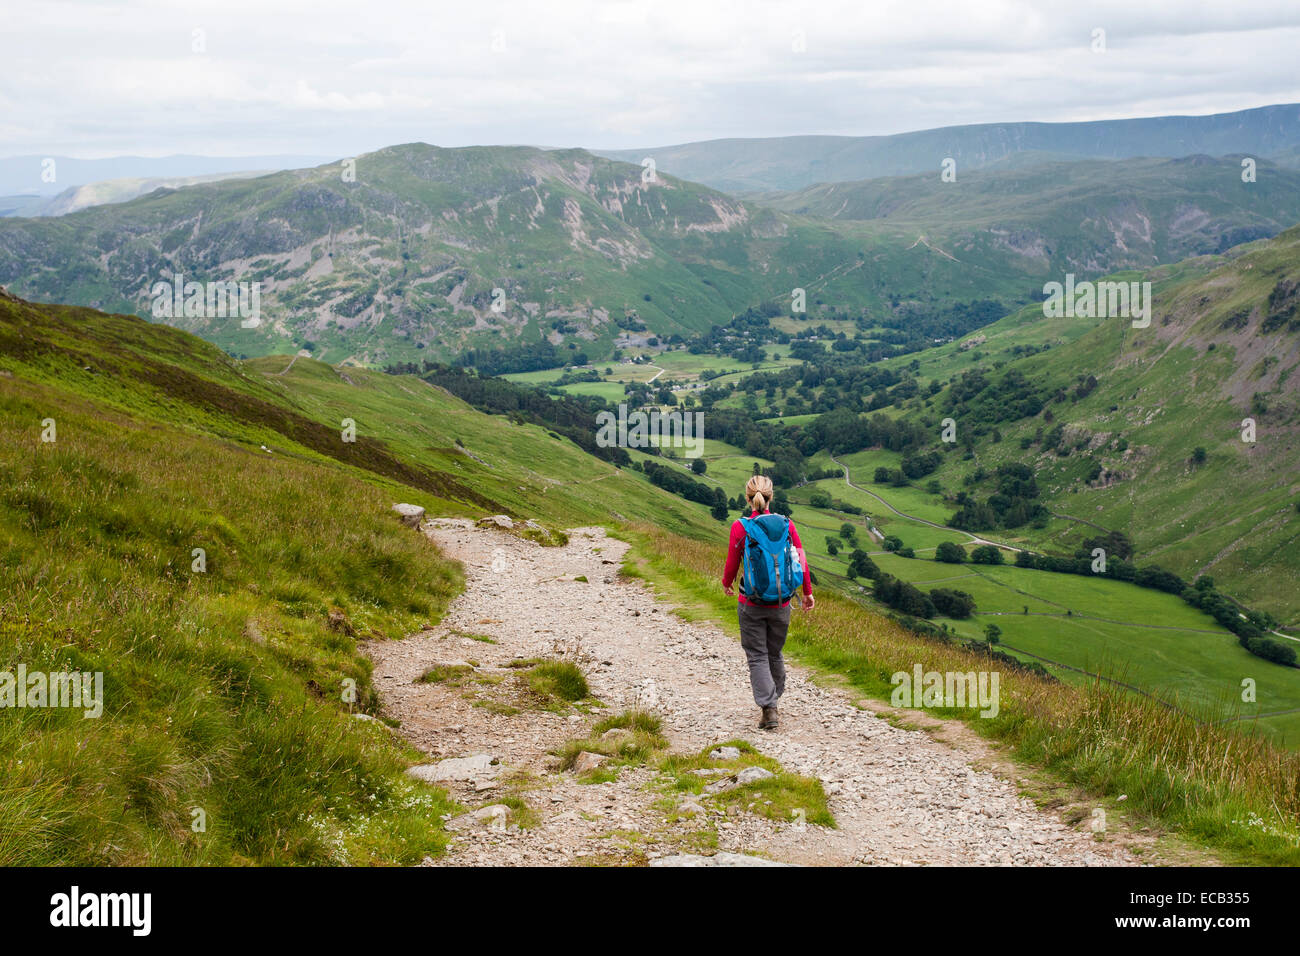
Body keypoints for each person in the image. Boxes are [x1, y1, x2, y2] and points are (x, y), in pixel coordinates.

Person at [721, 475, 814, 730]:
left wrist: (726, 582)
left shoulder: (741, 526)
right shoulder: (787, 524)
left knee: (757, 655)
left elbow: (733, 561)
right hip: (782, 603)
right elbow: (800, 559)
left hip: (751, 603)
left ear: (747, 497)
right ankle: (774, 698)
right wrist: (807, 592)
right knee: (774, 652)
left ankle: (769, 709)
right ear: (771, 496)